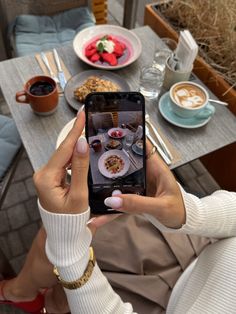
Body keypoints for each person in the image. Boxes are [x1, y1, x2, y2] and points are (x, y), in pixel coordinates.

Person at [1, 111, 236, 313]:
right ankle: (34, 294)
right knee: (72, 222)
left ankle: (27, 294)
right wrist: (192, 213)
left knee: (60, 231)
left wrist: (69, 251)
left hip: (163, 300)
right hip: (202, 242)